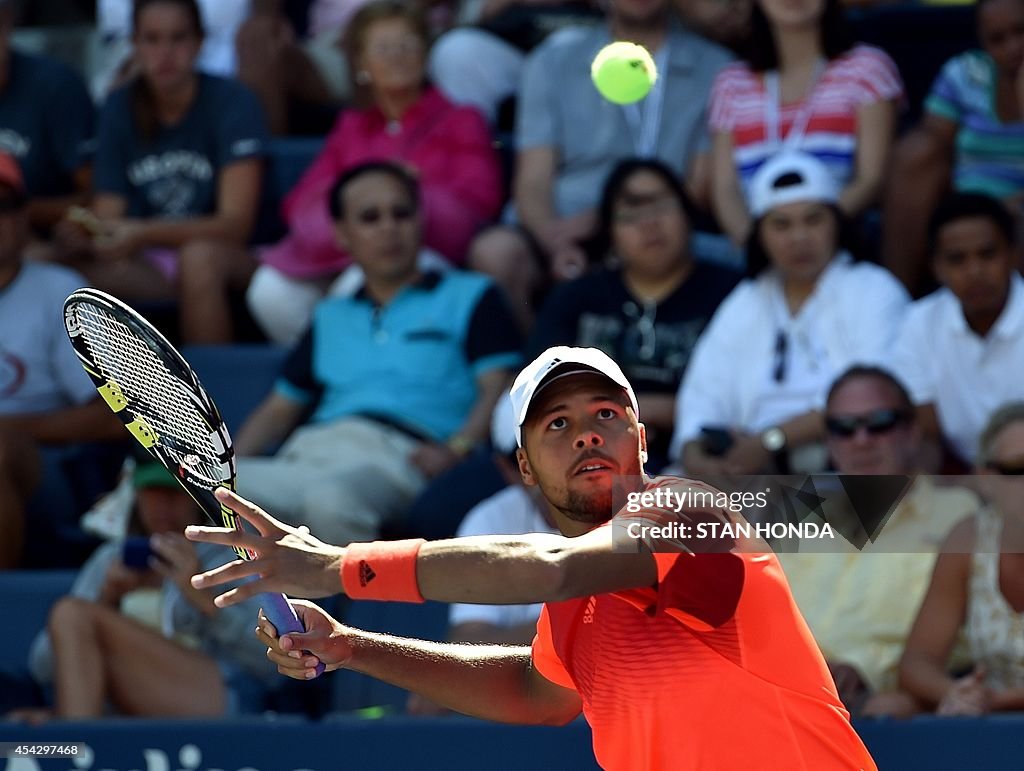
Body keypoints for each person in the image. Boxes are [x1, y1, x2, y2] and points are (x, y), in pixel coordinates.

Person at [185, 345, 877, 769]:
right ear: (523, 465)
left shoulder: (689, 512)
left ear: (641, 438)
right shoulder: (581, 595)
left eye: (606, 415)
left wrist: (339, 566)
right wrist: (351, 645)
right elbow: (536, 692)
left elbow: (547, 565)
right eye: (557, 424)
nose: (585, 435)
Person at [233, 161, 520, 546]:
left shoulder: (472, 295)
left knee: (331, 502)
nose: (389, 228)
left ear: (421, 220)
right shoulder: (330, 314)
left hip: (399, 457)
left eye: (401, 213)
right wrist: (223, 467)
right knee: (205, 494)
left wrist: (458, 449)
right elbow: (277, 411)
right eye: (370, 217)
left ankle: (333, 609)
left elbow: (497, 387)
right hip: (311, 451)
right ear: (342, 234)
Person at [245, 0, 502, 345]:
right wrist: (361, 193)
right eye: (383, 48)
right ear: (362, 64)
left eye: (407, 45)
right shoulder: (352, 127)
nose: (396, 56)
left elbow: (480, 201)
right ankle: (329, 375)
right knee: (270, 290)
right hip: (344, 254)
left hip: (423, 255)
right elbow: (299, 204)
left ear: (425, 55)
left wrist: (408, 190)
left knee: (357, 283)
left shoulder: (461, 119)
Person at [672, 150, 909, 476]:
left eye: (813, 220)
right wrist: (695, 454)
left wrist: (772, 441)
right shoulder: (746, 300)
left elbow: (875, 399)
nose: (799, 238)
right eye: (781, 225)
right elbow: (703, 397)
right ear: (760, 235)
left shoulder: (875, 290)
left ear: (836, 224)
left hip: (840, 459)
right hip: (746, 463)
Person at [473, 0, 732, 283]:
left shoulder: (716, 68)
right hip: (566, 225)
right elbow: (533, 181)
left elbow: (701, 187)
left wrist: (607, 219)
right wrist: (556, 244)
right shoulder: (552, 63)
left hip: (662, 222)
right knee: (496, 252)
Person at [57, 0, 269, 344]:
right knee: (51, 271)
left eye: (178, 38)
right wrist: (87, 232)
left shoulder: (233, 101)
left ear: (200, 42)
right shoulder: (118, 106)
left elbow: (236, 225)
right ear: (134, 45)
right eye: (152, 39)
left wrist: (140, 232)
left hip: (234, 257)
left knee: (198, 259)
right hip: (151, 261)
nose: (165, 52)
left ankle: (209, 395)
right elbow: (110, 214)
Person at [775, 365, 978, 717]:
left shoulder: (959, 515)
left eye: (880, 422)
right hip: (788, 701)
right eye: (844, 428)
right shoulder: (799, 511)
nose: (862, 439)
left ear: (914, 432)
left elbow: (974, 638)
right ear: (829, 441)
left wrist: (866, 674)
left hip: (898, 709)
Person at [16, 459, 278, 721]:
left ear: (197, 499)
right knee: (72, 615)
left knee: (74, 614)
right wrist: (107, 599)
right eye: (152, 492)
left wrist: (203, 599)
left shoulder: (231, 558)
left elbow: (269, 663)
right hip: (118, 705)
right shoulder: (112, 559)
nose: (163, 505)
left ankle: (72, 749)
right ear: (137, 496)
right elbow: (43, 665)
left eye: (175, 492)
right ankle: (75, 743)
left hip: (223, 696)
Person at [528, 158, 741, 469]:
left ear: (688, 213)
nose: (649, 224)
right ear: (609, 231)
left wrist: (646, 412)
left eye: (661, 207)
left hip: (697, 457)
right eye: (631, 214)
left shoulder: (732, 294)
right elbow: (538, 388)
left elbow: (749, 399)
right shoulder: (577, 298)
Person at [0, 152, 123, 569]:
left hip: (52, 466)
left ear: (23, 217)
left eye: (5, 206)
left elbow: (115, 417)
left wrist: (11, 430)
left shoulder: (63, 292)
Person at [708, 0, 902, 246]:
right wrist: (758, 245)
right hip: (755, 255)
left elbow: (871, 179)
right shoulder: (730, 82)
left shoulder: (868, 68)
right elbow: (726, 190)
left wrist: (808, 236)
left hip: (843, 246)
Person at [882, 0, 1024, 293]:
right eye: (997, 39)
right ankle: (895, 296)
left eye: (1021, 31)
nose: (1013, 47)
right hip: (964, 196)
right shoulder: (964, 73)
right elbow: (930, 142)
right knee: (915, 154)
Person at [898, 402, 1024, 716]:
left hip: (996, 714)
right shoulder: (969, 539)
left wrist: (999, 700)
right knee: (891, 707)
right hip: (993, 726)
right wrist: (956, 692)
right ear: (985, 478)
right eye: (1015, 469)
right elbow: (918, 661)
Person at [889, 192, 1024, 468]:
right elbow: (928, 438)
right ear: (936, 267)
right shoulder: (918, 324)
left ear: (1013, 255)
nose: (974, 271)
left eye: (987, 254)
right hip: (963, 479)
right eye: (957, 259)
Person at [0, 0, 95, 233]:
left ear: (9, 19)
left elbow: (97, 198)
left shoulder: (55, 86)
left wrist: (15, 211)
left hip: (41, 244)